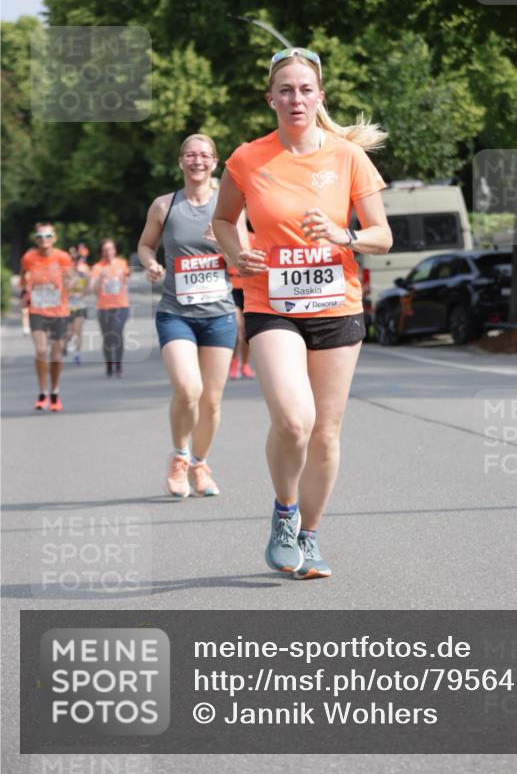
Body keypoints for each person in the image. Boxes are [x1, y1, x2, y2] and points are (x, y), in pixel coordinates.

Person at [213, 47, 392, 579]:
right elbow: (225, 220)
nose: (296, 98)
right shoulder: (247, 158)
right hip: (272, 304)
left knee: (326, 432)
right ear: (271, 98)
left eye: (305, 89)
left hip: (337, 303)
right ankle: (284, 515)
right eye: (285, 90)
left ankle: (310, 538)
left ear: (320, 97)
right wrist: (233, 251)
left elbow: (382, 235)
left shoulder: (347, 157)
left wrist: (344, 235)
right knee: (294, 420)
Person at [138, 134, 243, 499]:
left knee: (211, 400)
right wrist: (150, 263)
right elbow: (145, 245)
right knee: (188, 389)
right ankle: (180, 457)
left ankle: (200, 463)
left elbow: (242, 262)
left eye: (204, 155)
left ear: (215, 162)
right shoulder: (164, 205)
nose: (197, 161)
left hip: (219, 315)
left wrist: (223, 244)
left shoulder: (229, 207)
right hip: (175, 313)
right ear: (181, 161)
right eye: (190, 155)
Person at [20, 222, 74, 411]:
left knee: (56, 355)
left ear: (55, 238)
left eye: (48, 236)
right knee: (42, 351)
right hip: (37, 311)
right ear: (36, 239)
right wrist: (23, 298)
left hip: (59, 312)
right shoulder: (29, 258)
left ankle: (55, 391)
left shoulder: (63, 257)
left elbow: (72, 281)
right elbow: (23, 279)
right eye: (41, 236)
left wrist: (70, 280)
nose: (45, 239)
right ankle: (42, 392)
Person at [90, 240, 130, 378]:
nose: (108, 252)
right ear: (101, 252)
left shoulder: (122, 263)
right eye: (105, 250)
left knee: (117, 334)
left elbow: (126, 281)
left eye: (110, 249)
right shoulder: (97, 267)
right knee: (107, 338)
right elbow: (93, 290)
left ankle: (118, 365)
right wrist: (100, 280)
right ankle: (109, 364)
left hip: (121, 305)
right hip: (103, 307)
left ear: (114, 250)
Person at [227, 218, 256, 380]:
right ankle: (233, 362)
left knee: (246, 331)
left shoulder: (253, 238)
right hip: (231, 289)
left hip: (248, 289)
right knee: (236, 330)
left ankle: (245, 364)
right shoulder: (223, 238)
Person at [65, 245, 91, 364]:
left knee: (78, 329)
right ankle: (66, 344)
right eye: (73, 259)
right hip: (67, 307)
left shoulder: (83, 275)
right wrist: (71, 284)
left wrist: (83, 290)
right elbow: (63, 291)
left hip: (80, 306)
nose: (75, 262)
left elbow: (87, 291)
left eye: (77, 259)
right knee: (69, 332)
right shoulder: (65, 275)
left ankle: (77, 354)